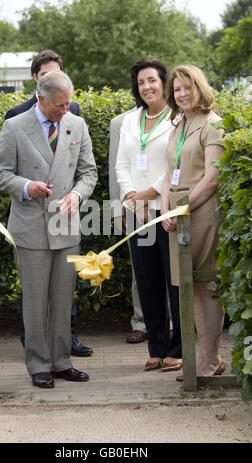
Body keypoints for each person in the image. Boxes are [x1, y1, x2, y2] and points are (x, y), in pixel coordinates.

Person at [0, 70, 97, 388]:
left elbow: (88, 172)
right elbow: (0, 174)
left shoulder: (76, 124)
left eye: (68, 104)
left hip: (66, 226)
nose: (65, 111)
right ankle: (38, 363)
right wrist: (26, 186)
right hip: (30, 228)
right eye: (59, 106)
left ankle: (62, 360)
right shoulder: (14, 126)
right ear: (41, 98)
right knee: (35, 300)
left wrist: (77, 195)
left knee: (63, 299)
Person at [115, 58, 182, 372]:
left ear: (163, 83)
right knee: (147, 282)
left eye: (152, 80)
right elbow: (121, 165)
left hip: (166, 212)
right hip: (138, 214)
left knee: (175, 281)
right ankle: (156, 347)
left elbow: (175, 164)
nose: (147, 87)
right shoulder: (131, 120)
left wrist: (149, 194)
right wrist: (131, 197)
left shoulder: (177, 119)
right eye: (141, 82)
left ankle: (179, 349)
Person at [162, 64, 225, 380]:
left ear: (200, 87)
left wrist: (183, 208)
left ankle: (210, 361)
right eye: (177, 89)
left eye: (188, 87)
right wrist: (165, 209)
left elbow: (212, 177)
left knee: (204, 287)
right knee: (189, 288)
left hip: (200, 216)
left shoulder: (213, 125)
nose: (182, 93)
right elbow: (168, 172)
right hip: (178, 218)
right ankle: (203, 360)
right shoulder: (178, 125)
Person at [109, 110, 148, 343]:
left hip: (166, 204)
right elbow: (116, 169)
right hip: (134, 206)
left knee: (172, 267)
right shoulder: (121, 122)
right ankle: (141, 322)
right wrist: (116, 211)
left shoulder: (176, 116)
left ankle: (175, 323)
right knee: (140, 269)